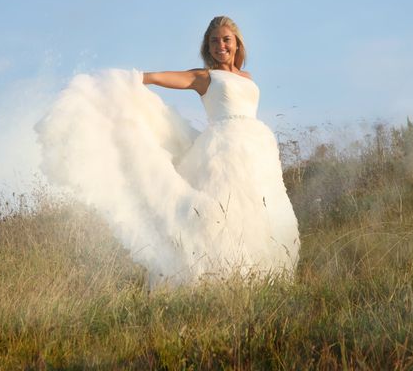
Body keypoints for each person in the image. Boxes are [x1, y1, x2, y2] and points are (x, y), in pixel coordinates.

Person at [36, 16, 299, 286]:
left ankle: (260, 277)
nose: (220, 45)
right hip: (225, 150)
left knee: (261, 211)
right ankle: (218, 275)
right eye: (214, 41)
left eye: (226, 39)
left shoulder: (247, 77)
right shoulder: (204, 77)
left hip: (257, 149)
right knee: (224, 213)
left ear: (237, 43)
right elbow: (163, 78)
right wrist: (134, 79)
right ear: (207, 47)